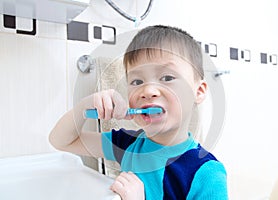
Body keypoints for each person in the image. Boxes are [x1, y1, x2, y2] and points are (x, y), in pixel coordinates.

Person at [49, 25, 228, 200]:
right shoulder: (127, 145)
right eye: (137, 81)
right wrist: (86, 105)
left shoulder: (207, 173)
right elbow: (61, 140)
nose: (148, 90)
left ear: (198, 92)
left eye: (167, 78)